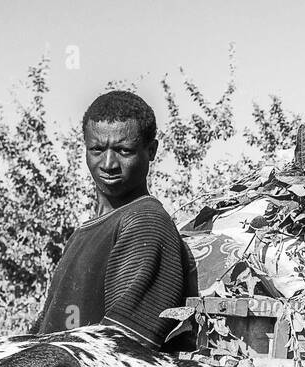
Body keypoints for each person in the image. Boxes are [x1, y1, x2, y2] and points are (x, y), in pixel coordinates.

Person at [32, 90, 198, 350]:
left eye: (124, 150)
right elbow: (46, 334)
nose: (108, 163)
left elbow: (122, 347)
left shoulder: (145, 221)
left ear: (151, 150)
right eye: (97, 149)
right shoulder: (83, 233)